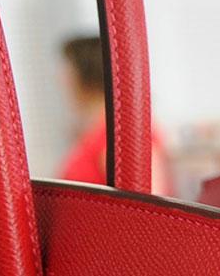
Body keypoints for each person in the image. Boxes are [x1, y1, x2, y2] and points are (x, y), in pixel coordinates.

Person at [58, 34, 173, 194]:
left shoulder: (120, 133)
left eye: (68, 72)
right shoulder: (97, 133)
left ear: (87, 75)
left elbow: (148, 203)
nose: (61, 81)